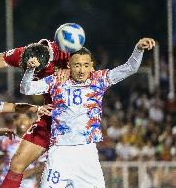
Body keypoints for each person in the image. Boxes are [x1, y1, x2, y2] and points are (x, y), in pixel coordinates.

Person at [20, 38, 155, 187]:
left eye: (85, 65)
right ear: (69, 66)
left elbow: (130, 67)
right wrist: (30, 70)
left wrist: (138, 49)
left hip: (87, 154)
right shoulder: (56, 80)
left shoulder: (99, 80)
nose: (81, 70)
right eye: (77, 65)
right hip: (59, 153)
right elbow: (26, 89)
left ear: (91, 66)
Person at [0, 39, 69, 188]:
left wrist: (70, 69)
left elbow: (89, 68)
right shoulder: (22, 54)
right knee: (17, 163)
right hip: (50, 114)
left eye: (38, 71)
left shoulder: (64, 52)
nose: (33, 73)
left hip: (73, 118)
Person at [0, 114, 45, 188]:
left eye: (25, 118)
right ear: (15, 121)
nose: (22, 122)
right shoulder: (6, 139)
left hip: (28, 183)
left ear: (31, 121)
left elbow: (43, 165)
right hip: (6, 181)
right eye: (19, 118)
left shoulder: (38, 142)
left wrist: (27, 172)